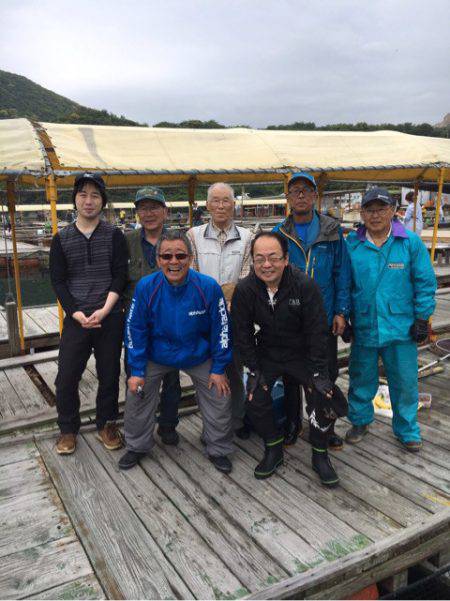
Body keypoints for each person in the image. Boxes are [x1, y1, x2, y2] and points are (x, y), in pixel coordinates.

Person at [232, 232, 347, 486]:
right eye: (259, 258)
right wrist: (253, 368)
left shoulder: (304, 285)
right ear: (252, 261)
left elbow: (318, 331)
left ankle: (320, 454)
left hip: (302, 352)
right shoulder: (245, 289)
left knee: (322, 396)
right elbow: (242, 333)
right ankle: (273, 446)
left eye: (273, 258)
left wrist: (319, 373)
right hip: (268, 351)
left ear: (286, 259)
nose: (266, 265)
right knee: (254, 396)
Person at [119, 229, 233, 472]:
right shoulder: (146, 287)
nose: (173, 262)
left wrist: (219, 367)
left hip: (197, 354)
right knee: (136, 391)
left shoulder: (208, 287)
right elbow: (135, 330)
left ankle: (218, 447)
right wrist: (137, 370)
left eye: (180, 256)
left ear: (190, 258)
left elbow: (221, 328)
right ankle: (137, 445)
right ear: (158, 259)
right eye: (166, 256)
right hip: (157, 354)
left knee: (220, 392)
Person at [345, 187, 436, 452]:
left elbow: (425, 282)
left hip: (401, 327)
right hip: (363, 326)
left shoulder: (410, 242)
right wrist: (345, 316)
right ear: (361, 213)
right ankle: (360, 421)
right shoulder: (352, 245)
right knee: (361, 378)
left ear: (393, 210)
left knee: (405, 381)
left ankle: (407, 429)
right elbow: (344, 284)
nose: (375, 215)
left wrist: (422, 318)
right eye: (369, 210)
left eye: (381, 209)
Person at [49, 173, 128, 455]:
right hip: (77, 319)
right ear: (75, 200)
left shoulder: (115, 235)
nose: (89, 201)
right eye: (83, 194)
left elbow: (120, 275)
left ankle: (106, 423)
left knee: (109, 372)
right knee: (67, 374)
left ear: (103, 201)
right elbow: (58, 280)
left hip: (109, 315)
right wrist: (75, 313)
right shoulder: (61, 239)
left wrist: (105, 310)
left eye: (95, 195)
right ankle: (68, 428)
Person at [273, 172, 351, 448]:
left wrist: (341, 311)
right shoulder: (278, 233)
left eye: (306, 190)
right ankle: (292, 426)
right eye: (295, 190)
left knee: (325, 374)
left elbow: (342, 273)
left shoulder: (332, 231)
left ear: (315, 195)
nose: (301, 195)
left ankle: (323, 427)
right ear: (288, 198)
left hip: (324, 317)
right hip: (289, 319)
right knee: (291, 376)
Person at [187, 182, 253, 438]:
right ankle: (211, 425)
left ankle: (236, 420)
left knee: (234, 370)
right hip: (204, 317)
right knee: (206, 372)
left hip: (236, 316)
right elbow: (191, 274)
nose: (221, 205)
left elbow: (247, 276)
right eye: (216, 200)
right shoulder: (194, 235)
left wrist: (228, 297)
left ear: (233, 204)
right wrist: (216, 298)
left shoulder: (247, 237)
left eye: (226, 200)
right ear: (207, 205)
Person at [124, 187, 182, 446]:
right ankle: (137, 436)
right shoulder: (126, 242)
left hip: (169, 324)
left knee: (171, 381)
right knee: (136, 380)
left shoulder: (176, 242)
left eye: (154, 207)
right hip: (136, 326)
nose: (148, 214)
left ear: (165, 211)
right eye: (143, 208)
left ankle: (168, 425)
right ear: (137, 213)